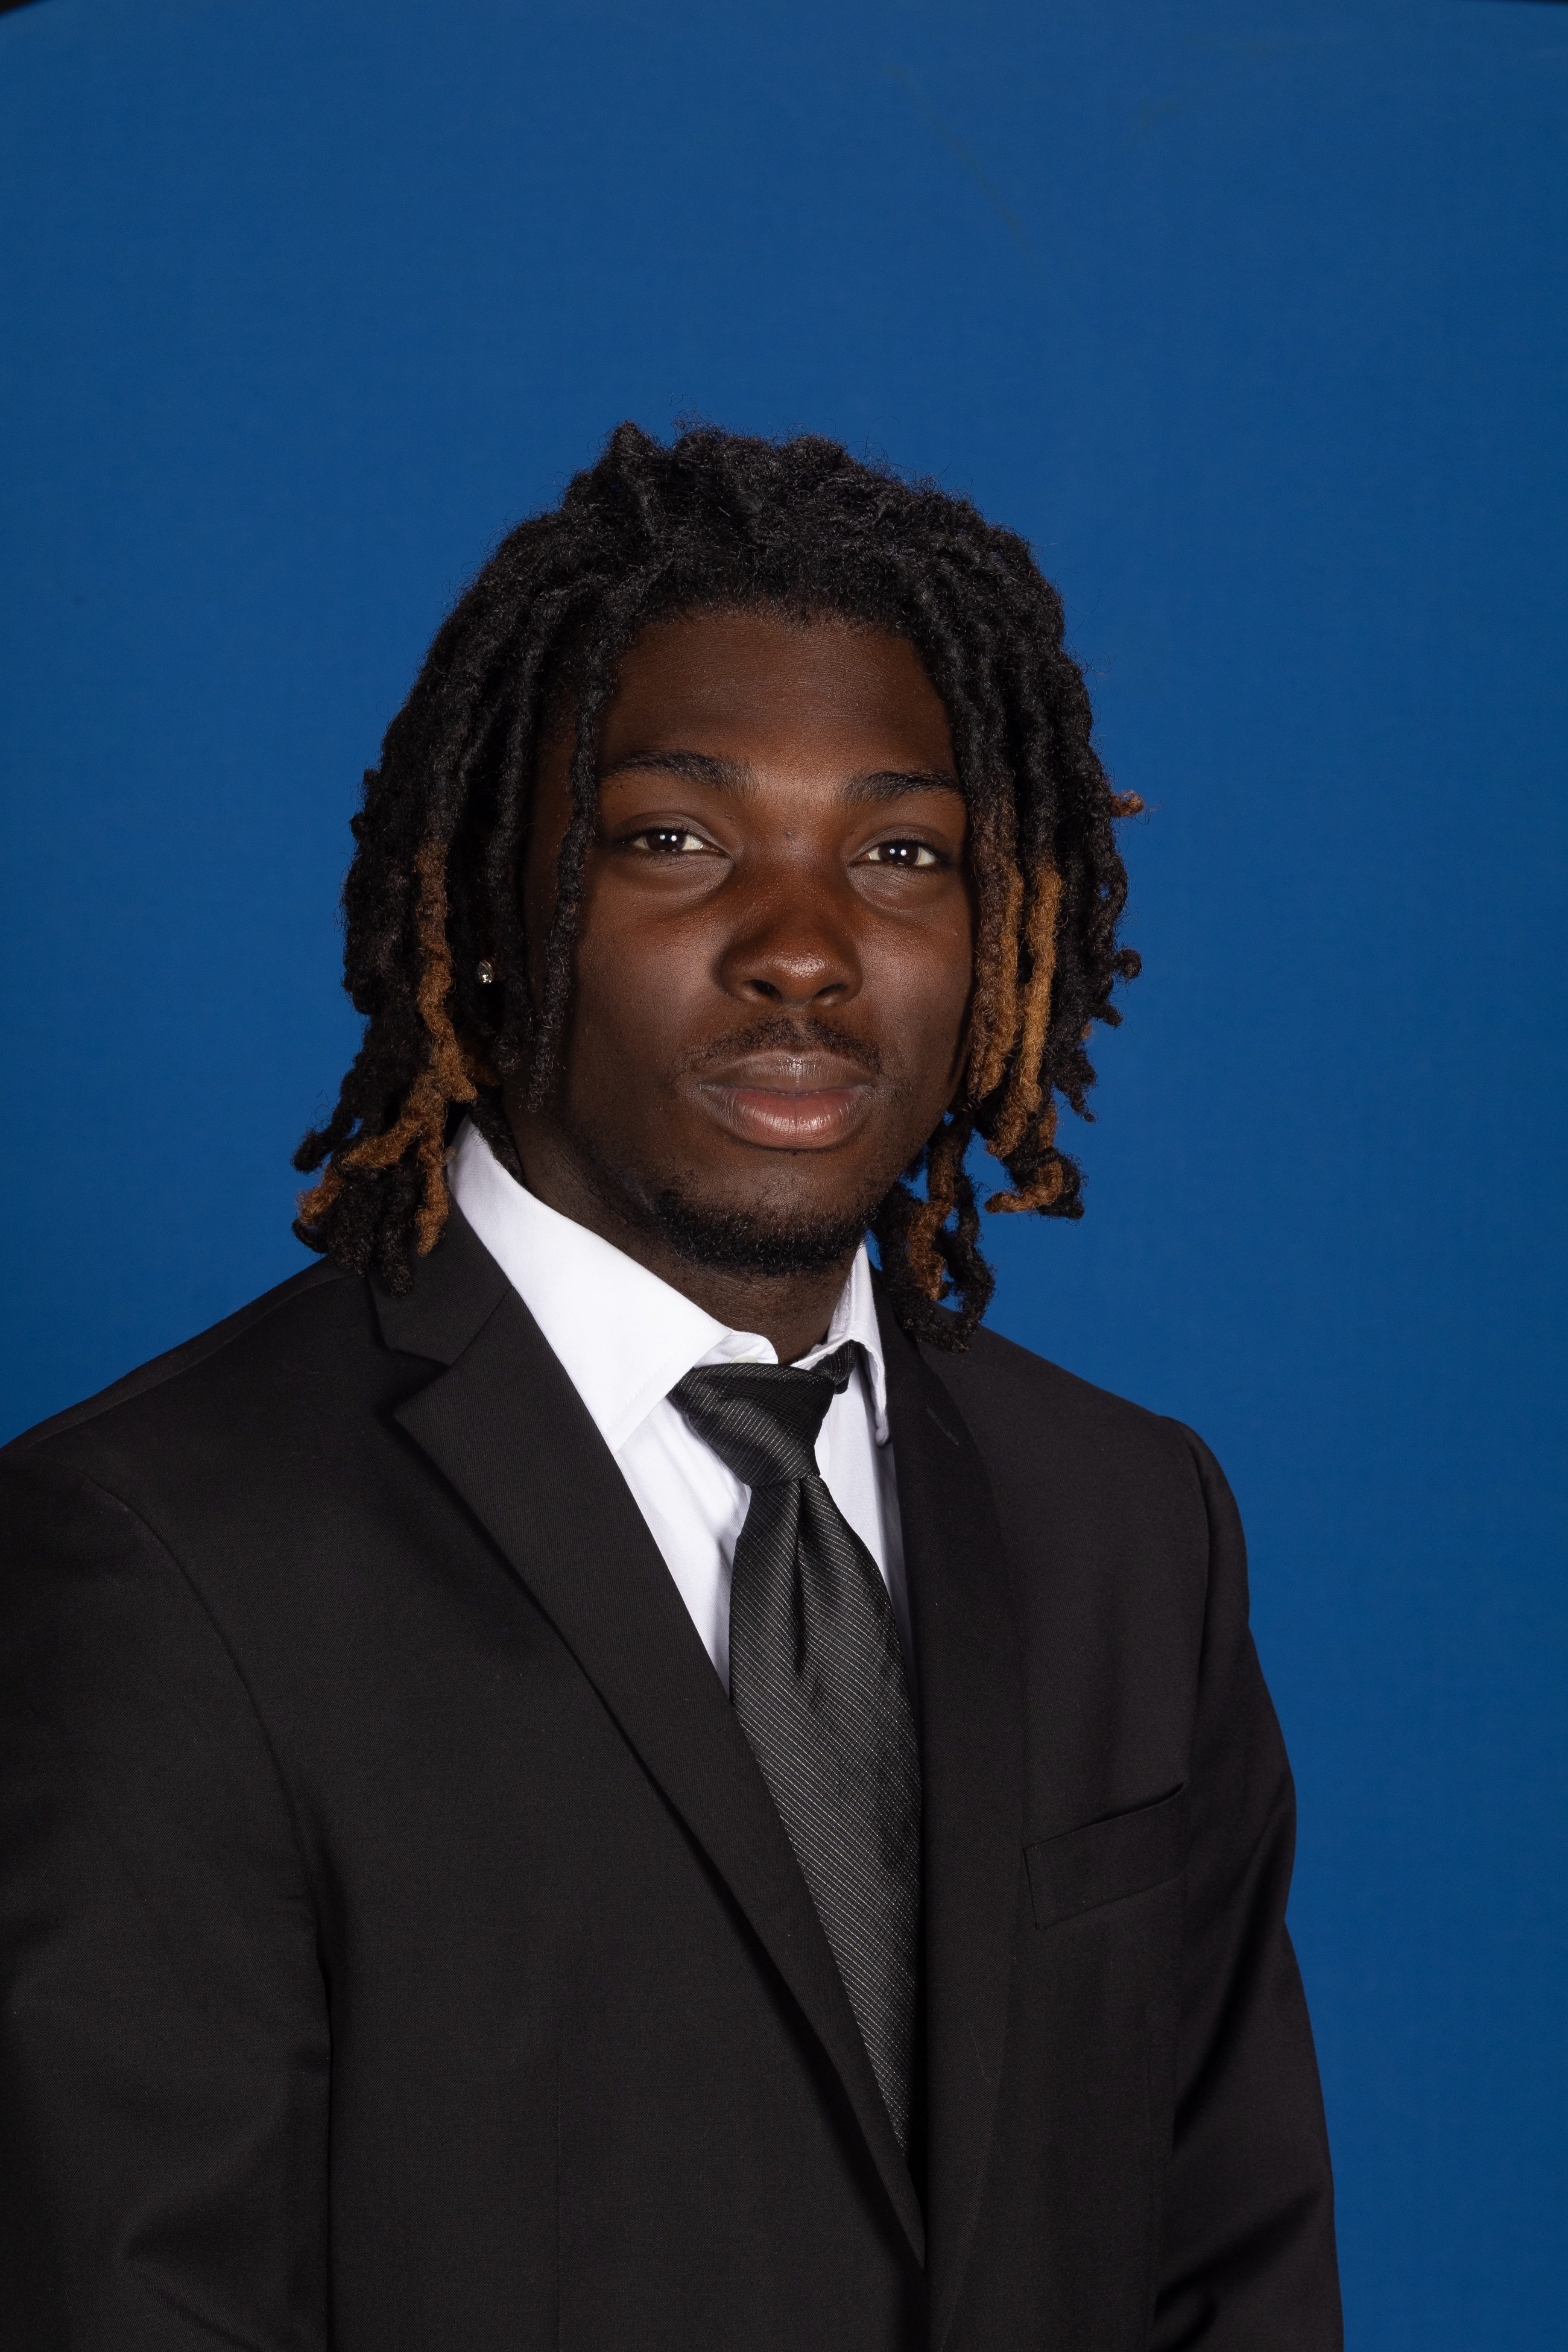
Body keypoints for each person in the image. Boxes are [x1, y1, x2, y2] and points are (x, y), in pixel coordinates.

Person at [0, 424, 1341, 2351]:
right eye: (676, 840)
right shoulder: (157, 1559)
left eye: (901, 853)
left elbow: (1236, 2274)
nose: (803, 949)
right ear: (492, 902)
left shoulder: (1133, 1527)